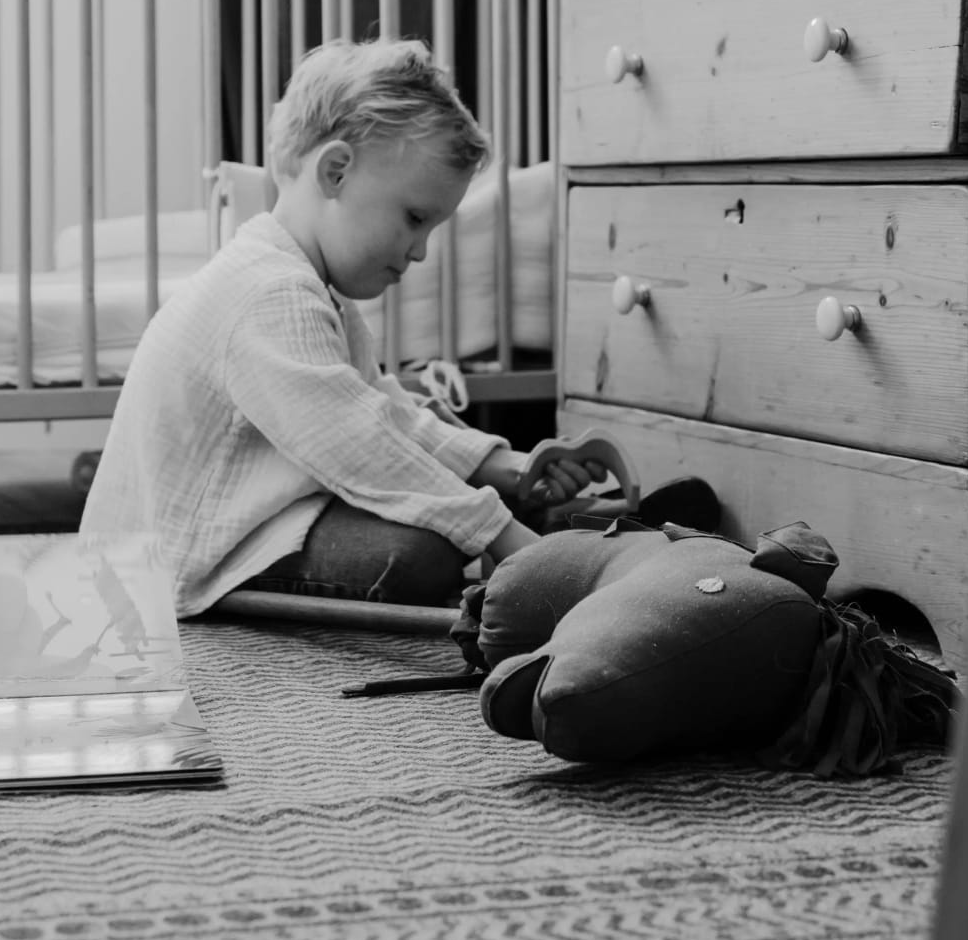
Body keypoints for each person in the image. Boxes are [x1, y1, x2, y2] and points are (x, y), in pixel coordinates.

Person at [80, 38, 601, 616]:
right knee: (424, 551)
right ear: (335, 172)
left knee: (450, 517)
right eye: (413, 219)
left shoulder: (304, 284)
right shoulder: (267, 294)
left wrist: (503, 466)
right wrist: (503, 537)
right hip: (178, 560)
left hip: (251, 520)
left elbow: (381, 412)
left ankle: (533, 519)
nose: (421, 251)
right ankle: (538, 537)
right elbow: (362, 448)